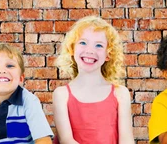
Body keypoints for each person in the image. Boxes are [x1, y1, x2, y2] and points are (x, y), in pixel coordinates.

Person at [52, 16, 134, 144]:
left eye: (99, 45)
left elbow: (127, 140)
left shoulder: (120, 94)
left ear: (108, 54)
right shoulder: (61, 94)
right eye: (83, 43)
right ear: (72, 48)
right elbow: (66, 140)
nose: (90, 51)